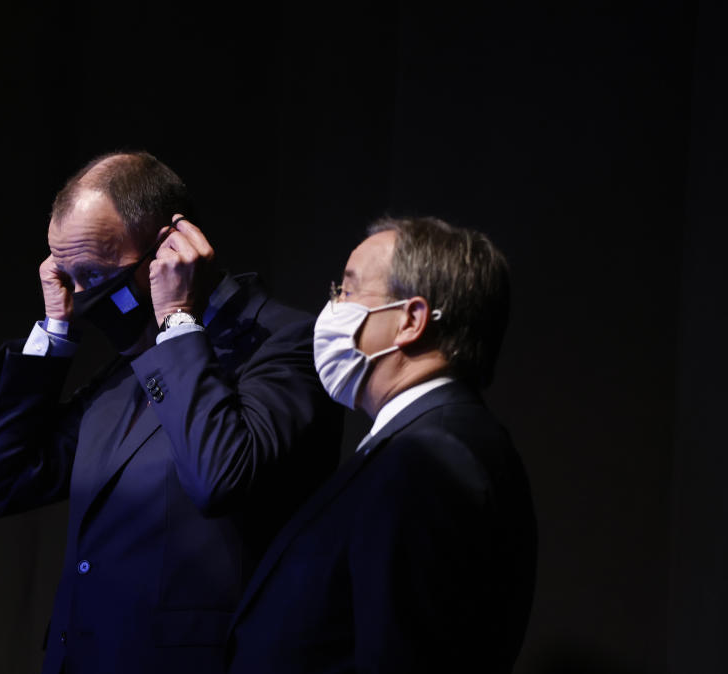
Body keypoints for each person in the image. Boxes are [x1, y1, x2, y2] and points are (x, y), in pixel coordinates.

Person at [0, 151, 341, 674]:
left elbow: (220, 478)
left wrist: (177, 321)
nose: (84, 296)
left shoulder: (286, 343)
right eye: (67, 275)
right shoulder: (129, 366)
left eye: (94, 274)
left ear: (170, 248)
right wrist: (55, 333)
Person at [225, 216, 537, 673]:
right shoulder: (421, 442)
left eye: (347, 292)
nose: (331, 307)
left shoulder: (430, 457)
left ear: (411, 320)